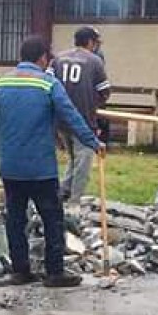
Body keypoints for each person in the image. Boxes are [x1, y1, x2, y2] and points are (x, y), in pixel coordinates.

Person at [0, 35, 104, 287]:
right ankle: (54, 273)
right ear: (42, 58)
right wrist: (93, 142)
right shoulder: (48, 84)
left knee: (15, 219)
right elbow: (71, 116)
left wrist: (0, 156)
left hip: (11, 167)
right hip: (41, 168)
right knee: (52, 218)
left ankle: (20, 271)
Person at [50, 26, 111, 203]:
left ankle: (63, 191)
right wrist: (95, 104)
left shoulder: (58, 59)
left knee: (73, 158)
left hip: (60, 119)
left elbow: (47, 83)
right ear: (91, 42)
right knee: (83, 161)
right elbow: (104, 91)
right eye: (96, 43)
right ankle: (74, 201)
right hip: (83, 119)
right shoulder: (95, 61)